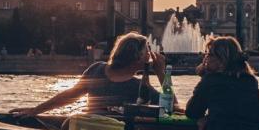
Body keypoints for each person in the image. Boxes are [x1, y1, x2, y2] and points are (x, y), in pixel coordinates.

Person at [11, 32, 166, 116]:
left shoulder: (97, 69)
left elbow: (67, 96)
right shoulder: (138, 87)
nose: (150, 55)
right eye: (147, 51)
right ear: (138, 58)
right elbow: (171, 107)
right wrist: (161, 73)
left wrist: (34, 110)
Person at [185, 36, 259, 130]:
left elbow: (192, 111)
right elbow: (235, 110)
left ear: (221, 61)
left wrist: (205, 76)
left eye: (209, 54)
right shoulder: (250, 80)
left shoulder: (211, 80)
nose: (205, 58)